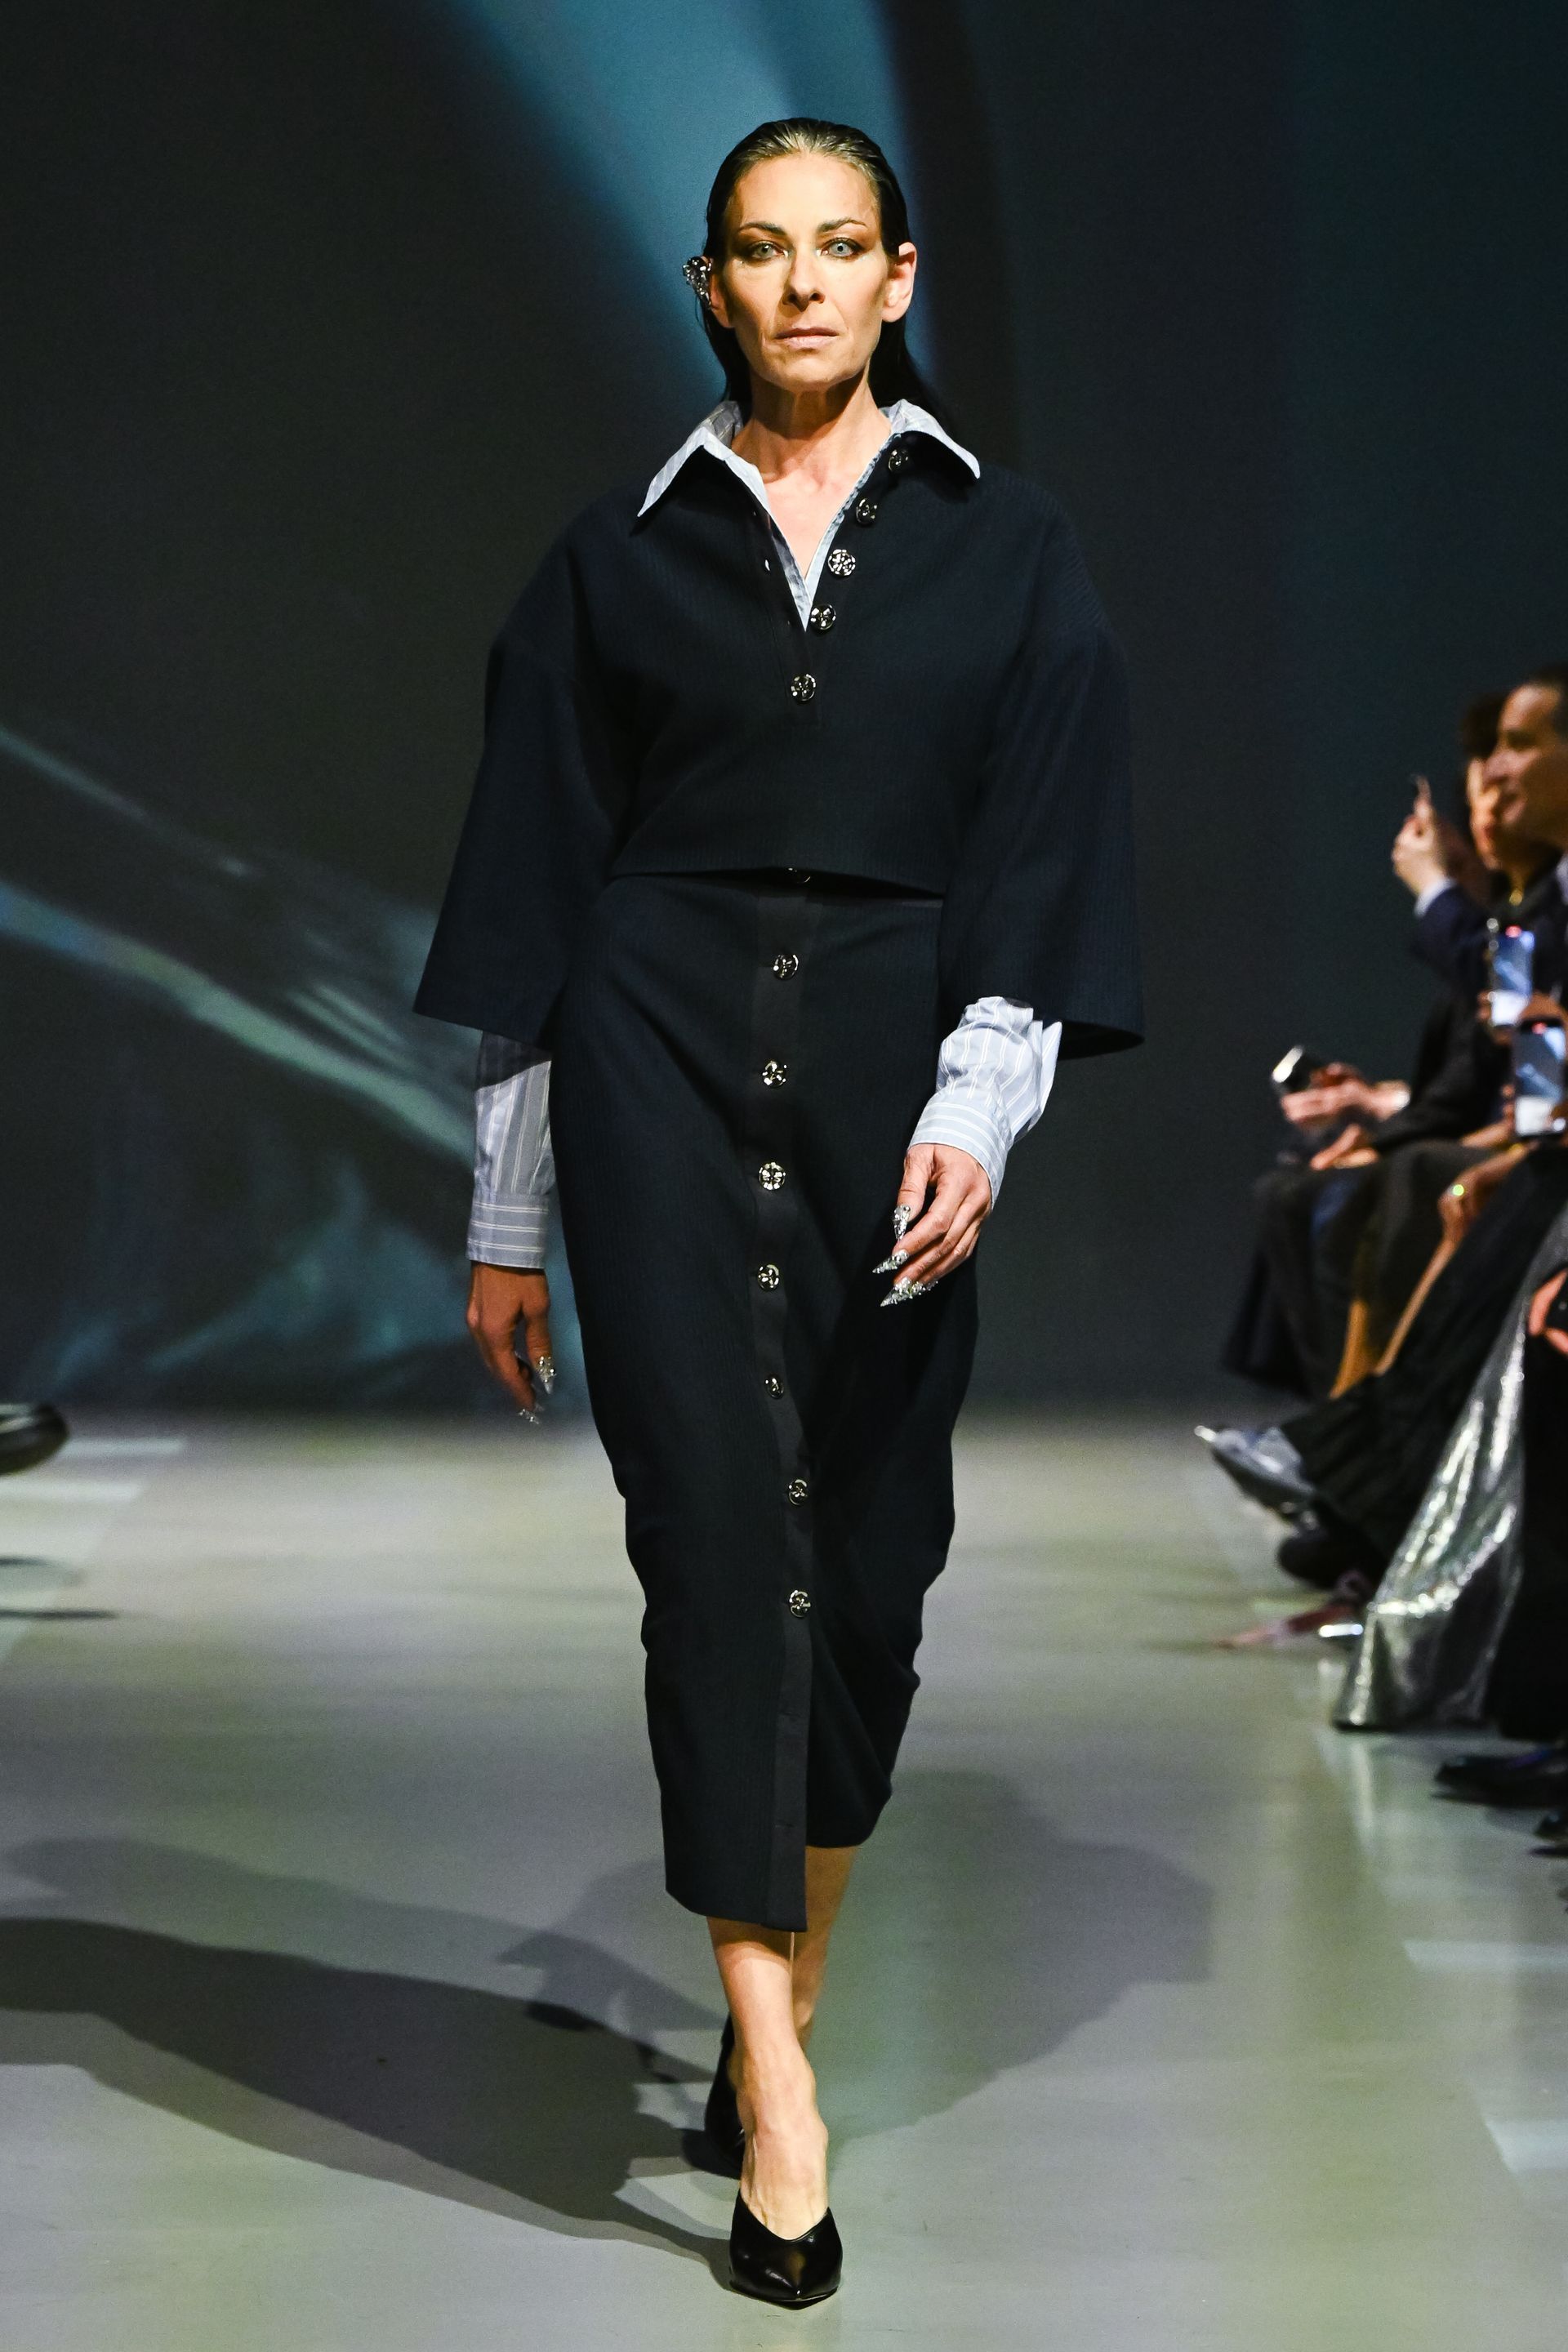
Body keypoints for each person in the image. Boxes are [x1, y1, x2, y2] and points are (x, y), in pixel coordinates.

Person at [414, 119, 1140, 2306]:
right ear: (711, 284)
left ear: (900, 278)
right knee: (717, 1541)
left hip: (897, 1069)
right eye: (761, 248)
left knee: (876, 1565)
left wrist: (980, 1112)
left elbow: (1043, 852)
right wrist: (512, 1216)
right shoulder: (617, 557)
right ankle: (783, 2097)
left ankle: (775, 2012)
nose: (803, 284)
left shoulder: (1008, 551)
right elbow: (535, 890)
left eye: (840, 248)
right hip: (653, 1050)